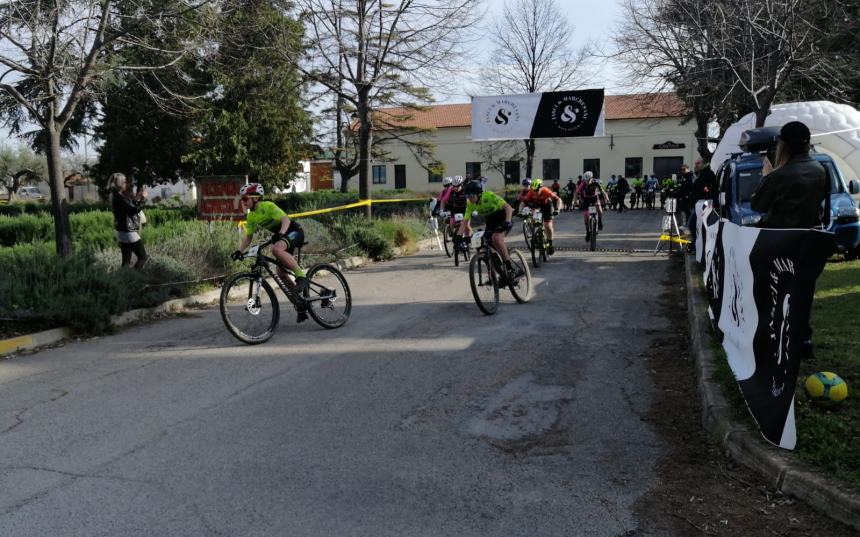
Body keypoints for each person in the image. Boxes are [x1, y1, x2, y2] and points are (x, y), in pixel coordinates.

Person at [751, 121, 829, 360]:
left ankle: (772, 343)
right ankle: (803, 341)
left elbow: (758, 205)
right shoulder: (819, 170)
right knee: (801, 296)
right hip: (808, 243)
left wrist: (767, 176)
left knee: (772, 296)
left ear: (783, 146)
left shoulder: (781, 174)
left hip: (778, 243)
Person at [232, 183, 310, 323]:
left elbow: (285, 220)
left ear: (255, 198)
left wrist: (280, 234)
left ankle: (301, 276)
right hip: (283, 237)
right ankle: (300, 303)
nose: (243, 202)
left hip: (294, 231)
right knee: (281, 273)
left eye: (245, 199)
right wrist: (239, 251)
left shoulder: (267, 206)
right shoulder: (251, 217)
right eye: (242, 199)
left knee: (276, 249)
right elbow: (248, 237)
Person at [457, 180, 521, 278]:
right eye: (467, 196)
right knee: (482, 244)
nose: (469, 198)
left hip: (503, 218)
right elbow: (465, 222)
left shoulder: (489, 196)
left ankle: (510, 268)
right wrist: (458, 237)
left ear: (478, 194)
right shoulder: (470, 204)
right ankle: (500, 273)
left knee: (496, 238)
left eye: (470, 195)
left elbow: (508, 207)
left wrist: (507, 221)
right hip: (491, 222)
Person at [109, 172, 149, 269]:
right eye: (125, 182)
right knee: (143, 257)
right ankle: (134, 278)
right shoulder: (119, 198)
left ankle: (125, 280)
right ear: (121, 184)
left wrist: (138, 197)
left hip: (122, 231)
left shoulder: (117, 196)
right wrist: (144, 198)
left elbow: (130, 206)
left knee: (126, 262)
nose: (127, 184)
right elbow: (135, 209)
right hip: (128, 232)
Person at [519, 178, 562, 255]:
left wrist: (557, 209)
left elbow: (558, 200)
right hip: (538, 206)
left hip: (547, 206)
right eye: (533, 190)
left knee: (547, 225)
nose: (535, 192)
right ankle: (535, 235)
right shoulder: (531, 192)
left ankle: (550, 243)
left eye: (537, 190)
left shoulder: (546, 191)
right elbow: (523, 202)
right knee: (534, 218)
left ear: (541, 187)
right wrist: (520, 212)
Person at [687, 158, 718, 244]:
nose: (696, 165)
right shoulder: (701, 174)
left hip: (703, 206)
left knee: (692, 225)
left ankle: (696, 246)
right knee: (693, 225)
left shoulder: (707, 174)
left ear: (704, 164)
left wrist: (704, 198)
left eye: (698, 163)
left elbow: (709, 190)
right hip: (698, 205)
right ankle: (696, 245)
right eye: (695, 163)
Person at [575, 171, 607, 242]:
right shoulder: (582, 183)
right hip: (586, 199)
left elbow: (602, 191)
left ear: (592, 178)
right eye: (585, 180)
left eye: (588, 180)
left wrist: (607, 199)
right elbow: (576, 192)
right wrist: (574, 202)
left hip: (594, 198)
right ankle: (588, 232)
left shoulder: (596, 182)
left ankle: (600, 222)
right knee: (586, 217)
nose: (587, 181)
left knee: (599, 210)